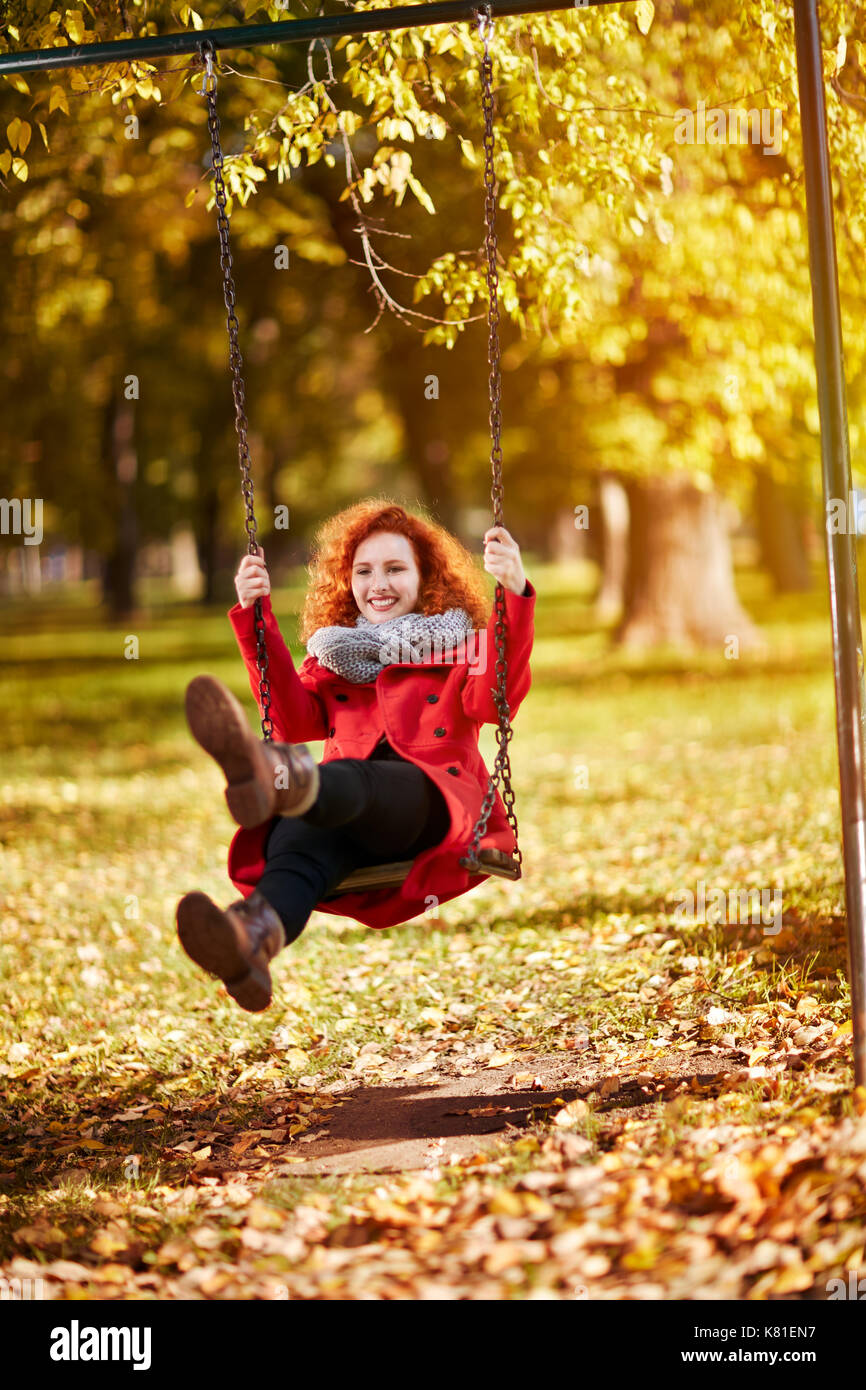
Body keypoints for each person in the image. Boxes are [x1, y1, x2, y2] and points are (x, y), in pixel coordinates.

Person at [175, 500, 536, 1012]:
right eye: (363, 572)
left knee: (354, 782)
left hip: (430, 808)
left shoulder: (462, 648)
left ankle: (280, 776)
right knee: (295, 846)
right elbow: (290, 719)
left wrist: (515, 593)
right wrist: (256, 617)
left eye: (395, 569)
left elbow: (496, 699)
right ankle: (248, 938)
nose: (377, 585)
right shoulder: (337, 654)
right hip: (340, 815)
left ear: (425, 576)